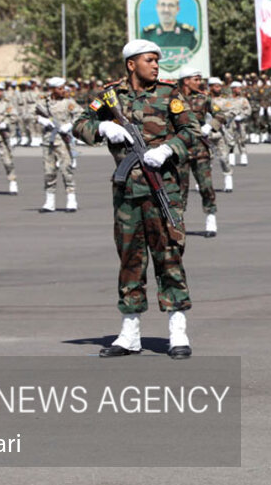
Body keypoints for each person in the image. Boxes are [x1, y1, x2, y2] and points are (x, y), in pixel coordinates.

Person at [72, 39, 200, 359]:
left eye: (157, 60)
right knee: (130, 261)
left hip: (162, 190)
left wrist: (168, 149)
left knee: (169, 258)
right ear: (131, 64)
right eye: (149, 60)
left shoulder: (169, 94)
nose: (156, 65)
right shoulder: (110, 95)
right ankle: (130, 333)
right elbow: (79, 125)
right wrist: (103, 128)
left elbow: (191, 132)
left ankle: (177, 330)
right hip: (128, 193)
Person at [176, 67, 218, 238]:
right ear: (186, 81)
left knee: (206, 185)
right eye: (196, 79)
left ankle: (211, 218)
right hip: (179, 150)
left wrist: (211, 125)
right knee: (179, 188)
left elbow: (221, 114)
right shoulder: (172, 99)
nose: (199, 82)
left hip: (200, 149)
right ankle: (178, 222)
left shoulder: (203, 98)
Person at [38, 77, 80, 212]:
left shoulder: (68, 102)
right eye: (60, 88)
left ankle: (71, 200)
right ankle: (49, 202)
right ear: (52, 89)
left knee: (66, 170)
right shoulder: (43, 102)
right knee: (48, 172)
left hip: (63, 141)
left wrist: (70, 125)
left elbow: (80, 114)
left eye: (63, 88)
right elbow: (28, 114)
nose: (63, 91)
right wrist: (40, 119)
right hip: (48, 141)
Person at [205, 77, 234, 192]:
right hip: (205, 134)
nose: (218, 88)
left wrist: (221, 119)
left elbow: (231, 111)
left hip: (218, 133)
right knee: (206, 159)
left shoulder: (224, 101)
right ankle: (204, 182)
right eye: (215, 86)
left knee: (223, 158)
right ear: (210, 87)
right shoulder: (204, 99)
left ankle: (228, 179)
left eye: (219, 86)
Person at [217, 81, 250, 167]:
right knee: (230, 140)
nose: (240, 90)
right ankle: (231, 158)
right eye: (238, 88)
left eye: (240, 88)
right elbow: (223, 110)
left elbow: (248, 110)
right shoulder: (227, 100)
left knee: (241, 140)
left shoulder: (243, 100)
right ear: (233, 89)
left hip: (240, 123)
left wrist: (242, 116)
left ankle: (243, 156)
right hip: (230, 123)